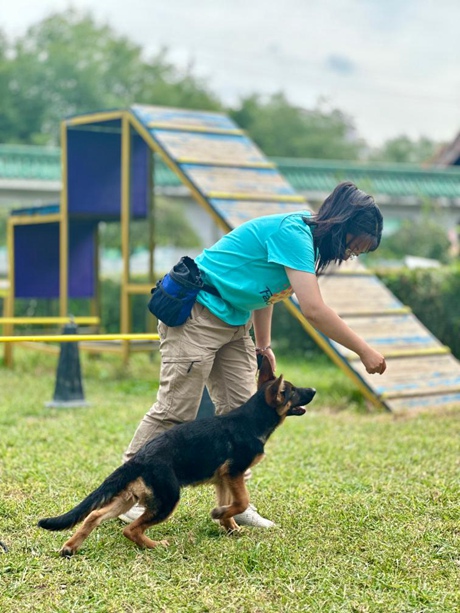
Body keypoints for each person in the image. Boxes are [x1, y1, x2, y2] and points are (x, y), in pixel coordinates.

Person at [119, 181, 386, 527]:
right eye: (355, 246)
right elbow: (314, 310)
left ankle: (235, 507)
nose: (353, 254)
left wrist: (263, 345)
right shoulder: (295, 233)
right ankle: (126, 494)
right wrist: (363, 350)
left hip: (234, 320)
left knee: (244, 416)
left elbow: (269, 291)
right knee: (175, 410)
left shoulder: (306, 243)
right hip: (199, 312)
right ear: (342, 225)